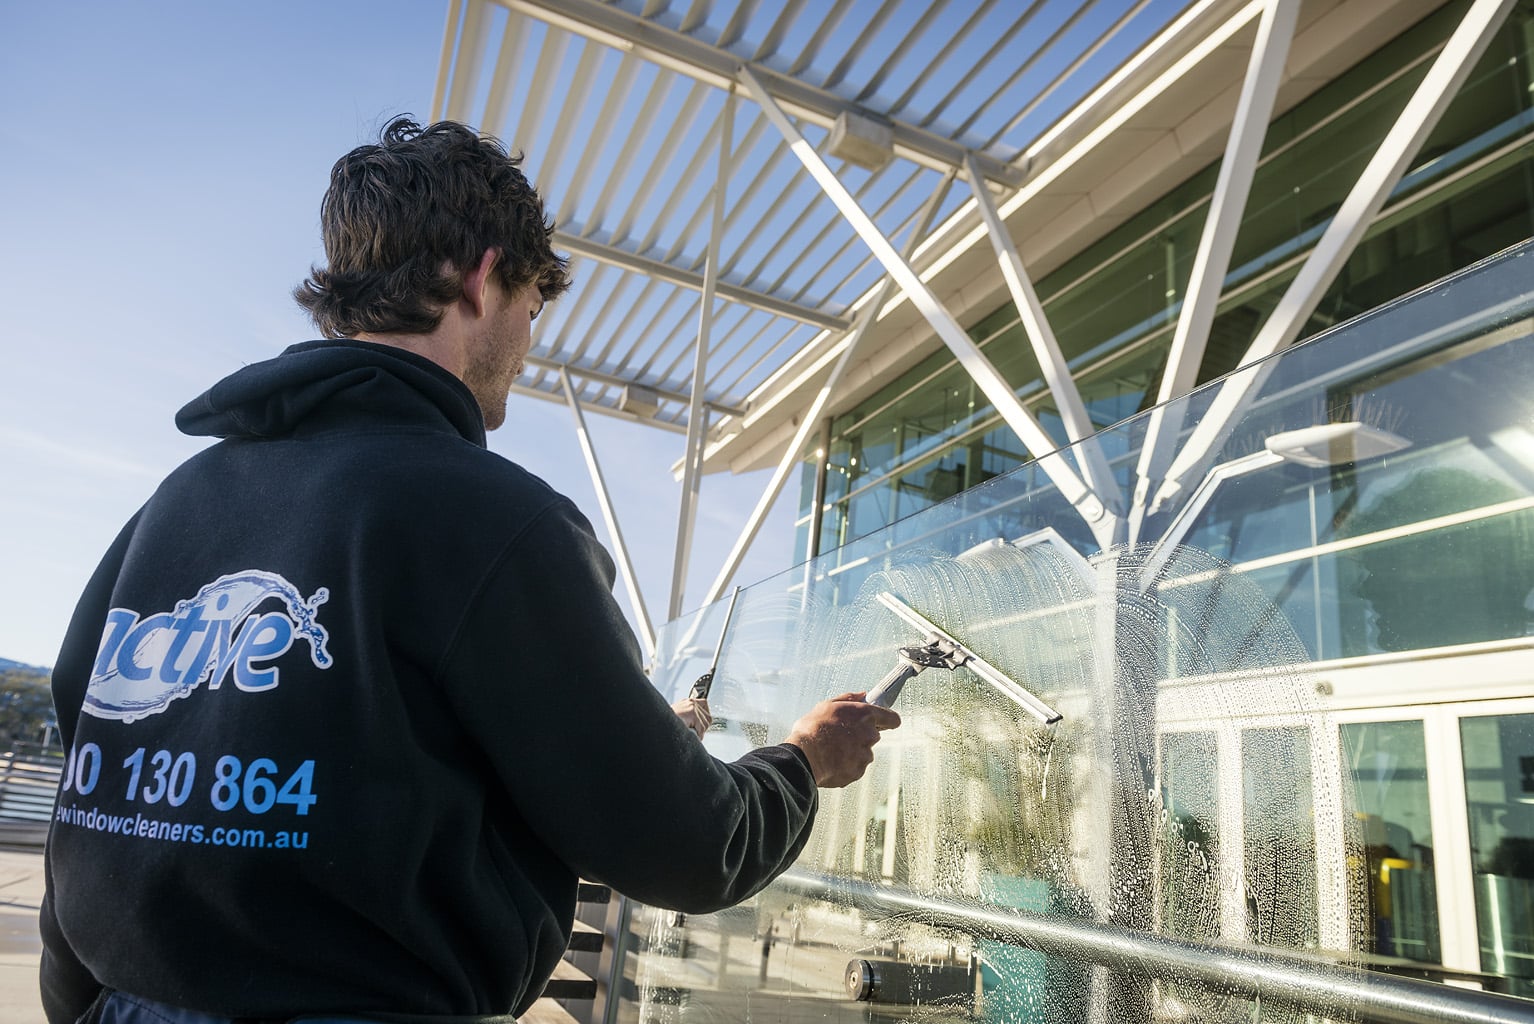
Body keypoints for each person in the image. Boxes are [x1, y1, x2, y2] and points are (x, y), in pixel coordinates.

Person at [40, 116, 900, 1024]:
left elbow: (85, 795)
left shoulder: (170, 509)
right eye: (532, 307)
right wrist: (803, 763)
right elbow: (684, 844)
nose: (527, 348)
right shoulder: (497, 523)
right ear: (484, 278)